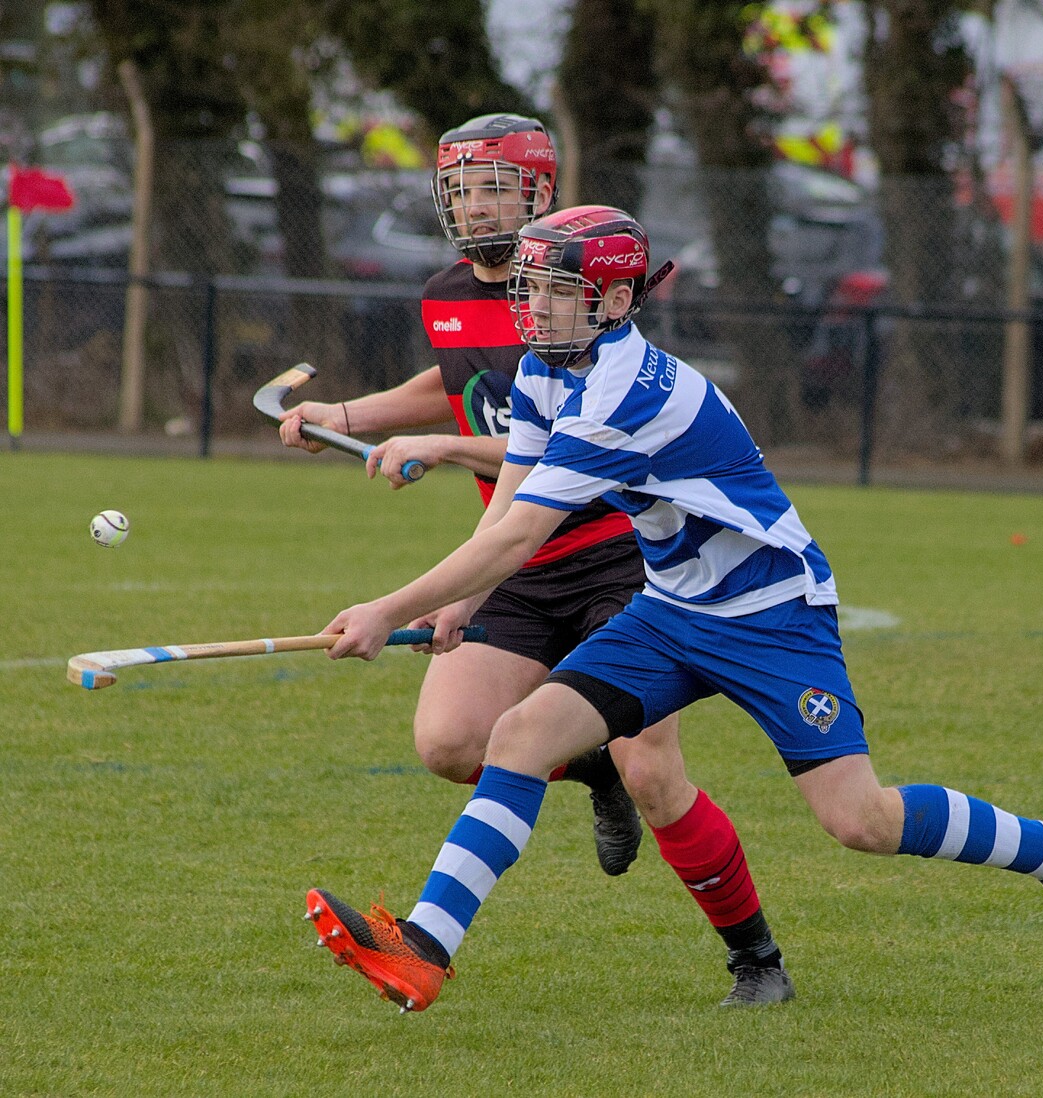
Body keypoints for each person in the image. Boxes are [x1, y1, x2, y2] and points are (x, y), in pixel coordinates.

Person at [303, 205, 1043, 1014]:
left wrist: (386, 607)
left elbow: (519, 535)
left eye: (554, 290)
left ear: (616, 302)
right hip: (670, 609)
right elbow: (508, 504)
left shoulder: (623, 392)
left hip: (772, 615)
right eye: (528, 288)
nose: (531, 306)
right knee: (520, 736)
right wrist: (460, 605)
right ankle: (423, 951)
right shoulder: (547, 368)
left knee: (860, 819)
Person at [283, 116, 795, 1007]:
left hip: (618, 558)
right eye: (463, 188)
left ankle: (757, 960)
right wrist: (360, 416)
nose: (477, 204)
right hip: (513, 554)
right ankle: (582, 766)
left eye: (494, 187)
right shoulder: (451, 291)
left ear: (539, 195)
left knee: (655, 770)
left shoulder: (568, 286)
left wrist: (437, 457)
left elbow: (531, 441)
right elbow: (459, 388)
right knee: (450, 743)